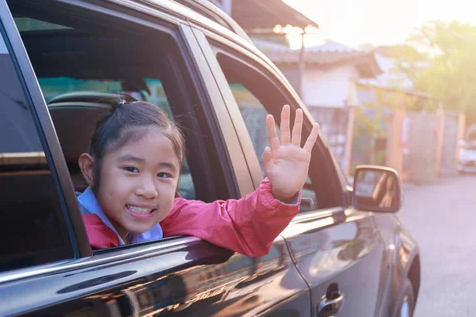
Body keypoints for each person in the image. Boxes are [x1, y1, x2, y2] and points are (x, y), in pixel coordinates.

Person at [77, 101, 319, 258]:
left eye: (163, 174)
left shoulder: (168, 216)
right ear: (90, 170)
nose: (148, 190)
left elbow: (235, 222)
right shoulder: (68, 238)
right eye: (131, 169)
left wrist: (281, 194)